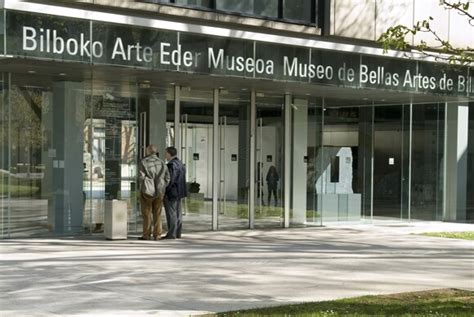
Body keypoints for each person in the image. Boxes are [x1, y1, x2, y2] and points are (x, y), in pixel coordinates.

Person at [138, 144, 170, 240]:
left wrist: (146, 184)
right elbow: (168, 178)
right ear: (156, 152)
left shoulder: (143, 162)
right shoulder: (162, 163)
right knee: (158, 213)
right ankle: (157, 234)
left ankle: (146, 234)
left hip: (147, 191)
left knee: (147, 213)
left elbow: (141, 177)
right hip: (160, 191)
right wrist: (163, 185)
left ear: (148, 151)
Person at [163, 146, 187, 239]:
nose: (165, 155)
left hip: (172, 192)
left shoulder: (171, 165)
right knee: (178, 213)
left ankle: (171, 234)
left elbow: (170, 180)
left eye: (166, 153)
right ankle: (178, 233)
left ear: (169, 154)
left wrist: (166, 190)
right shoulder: (180, 164)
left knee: (171, 214)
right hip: (180, 192)